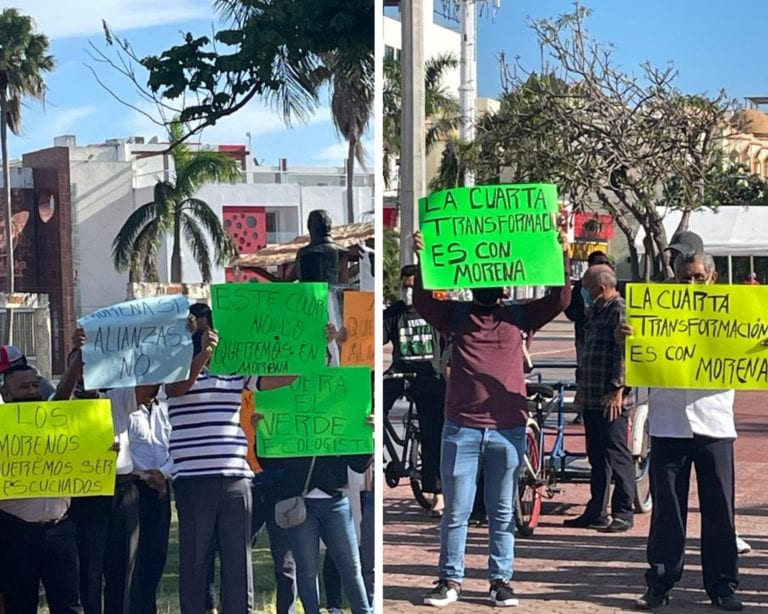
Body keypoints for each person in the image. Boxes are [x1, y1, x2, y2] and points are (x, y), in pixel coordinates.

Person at [413, 220, 571, 608]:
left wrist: (561, 251)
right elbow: (420, 300)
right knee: (457, 512)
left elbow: (561, 299)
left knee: (503, 512)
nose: (490, 284)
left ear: (504, 285)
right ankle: (450, 579)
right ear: (471, 279)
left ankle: (501, 581)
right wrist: (422, 257)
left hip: (508, 429)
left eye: (496, 277)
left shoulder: (520, 316)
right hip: (461, 428)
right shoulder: (455, 316)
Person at [622, 251, 743, 611]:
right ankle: (660, 581)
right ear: (674, 279)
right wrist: (626, 339)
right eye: (684, 277)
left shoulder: (734, 313)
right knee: (668, 511)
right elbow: (636, 360)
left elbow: (750, 356)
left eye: (698, 277)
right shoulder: (655, 312)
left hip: (715, 423)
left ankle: (722, 584)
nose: (691, 284)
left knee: (720, 509)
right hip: (669, 424)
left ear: (713, 277)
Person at [165, 325, 258, 613]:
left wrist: (316, 350)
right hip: (194, 481)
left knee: (237, 560)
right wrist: (204, 354)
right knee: (195, 558)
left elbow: (275, 378)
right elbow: (175, 389)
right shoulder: (175, 372)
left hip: (235, 478)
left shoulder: (236, 373)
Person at [0, 333, 85, 613]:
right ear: (6, 394)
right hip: (15, 531)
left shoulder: (55, 420)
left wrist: (100, 450)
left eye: (35, 385)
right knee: (20, 604)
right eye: (23, 387)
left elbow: (61, 398)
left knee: (69, 605)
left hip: (60, 529)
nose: (32, 391)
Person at [65, 343, 151, 614]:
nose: (88, 370)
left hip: (123, 491)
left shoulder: (115, 396)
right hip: (88, 495)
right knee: (89, 569)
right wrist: (78, 354)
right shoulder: (64, 404)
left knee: (123, 568)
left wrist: (162, 347)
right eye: (82, 366)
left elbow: (149, 388)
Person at [564, 265, 635, 532]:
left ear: (600, 287)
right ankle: (596, 510)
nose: (582, 292)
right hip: (592, 397)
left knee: (617, 455)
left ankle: (623, 511)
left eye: (585, 286)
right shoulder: (595, 312)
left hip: (610, 398)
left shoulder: (619, 310)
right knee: (597, 457)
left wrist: (618, 388)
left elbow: (624, 353)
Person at [383, 264, 447, 516]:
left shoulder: (435, 311)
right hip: (399, 374)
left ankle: (438, 493)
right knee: (369, 402)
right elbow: (373, 338)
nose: (408, 291)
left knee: (433, 433)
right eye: (405, 286)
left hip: (429, 377)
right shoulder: (394, 313)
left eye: (413, 286)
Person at [127, 385, 172, 614]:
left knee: (157, 554)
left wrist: (163, 474)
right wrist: (148, 474)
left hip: (162, 488)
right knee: (134, 556)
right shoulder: (125, 409)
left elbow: (174, 447)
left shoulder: (165, 408)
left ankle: (148, 606)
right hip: (135, 487)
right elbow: (123, 448)